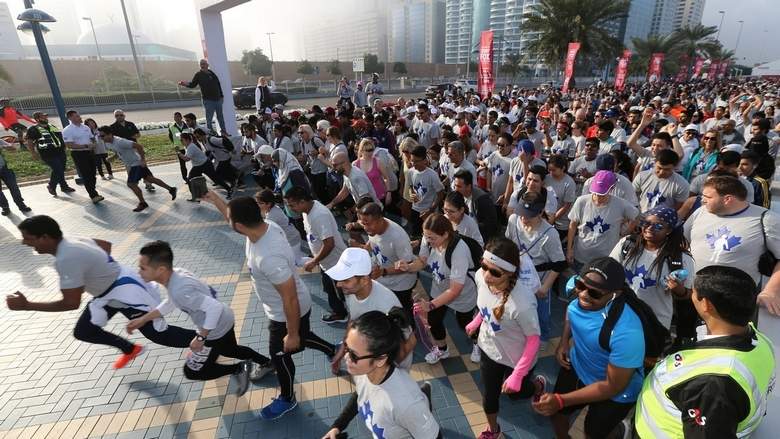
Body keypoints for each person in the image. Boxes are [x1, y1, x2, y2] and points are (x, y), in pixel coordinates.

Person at [201, 193, 336, 419]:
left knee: (280, 355)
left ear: (240, 225)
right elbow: (234, 218)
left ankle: (288, 398)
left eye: (231, 219)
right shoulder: (265, 225)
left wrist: (292, 333)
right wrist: (214, 199)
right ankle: (333, 349)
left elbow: (290, 298)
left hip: (286, 312)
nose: (229, 221)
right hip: (287, 308)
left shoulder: (268, 256)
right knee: (302, 337)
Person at [6, 216, 195, 369]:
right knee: (84, 331)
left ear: (45, 237)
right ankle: (130, 349)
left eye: (28, 238)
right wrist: (99, 273)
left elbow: (71, 303)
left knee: (160, 334)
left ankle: (207, 340)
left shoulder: (66, 258)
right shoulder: (70, 240)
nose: (24, 242)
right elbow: (105, 245)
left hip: (126, 292)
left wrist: (26, 305)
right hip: (108, 293)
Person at [634, 266, 776, 438]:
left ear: (707, 305)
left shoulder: (712, 386)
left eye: (693, 292)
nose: (691, 295)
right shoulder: (760, 339)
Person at [128, 241, 274, 396]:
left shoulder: (179, 289)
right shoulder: (176, 275)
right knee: (230, 350)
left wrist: (200, 338)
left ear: (161, 269)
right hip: (225, 318)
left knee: (192, 371)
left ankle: (239, 369)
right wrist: (143, 319)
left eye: (143, 268)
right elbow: (171, 302)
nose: (139, 272)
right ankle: (268, 363)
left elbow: (214, 308)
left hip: (214, 329)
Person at [532, 257, 645, 439]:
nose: (584, 294)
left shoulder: (627, 334)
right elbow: (572, 311)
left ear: (614, 294)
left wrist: (561, 400)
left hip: (615, 393)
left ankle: (620, 430)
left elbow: (612, 386)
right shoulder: (578, 289)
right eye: (580, 286)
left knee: (593, 433)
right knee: (557, 416)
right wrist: (563, 342)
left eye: (594, 293)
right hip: (578, 367)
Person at [464, 238, 546, 439]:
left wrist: (517, 375)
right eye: (484, 266)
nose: (487, 275)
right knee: (490, 395)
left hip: (517, 358)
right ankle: (493, 430)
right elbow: (487, 307)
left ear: (510, 273)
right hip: (489, 349)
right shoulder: (481, 277)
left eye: (495, 272)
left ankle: (537, 385)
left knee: (517, 393)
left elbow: (534, 340)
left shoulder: (523, 303)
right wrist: (476, 322)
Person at [321, 310, 440, 439]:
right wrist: (337, 426)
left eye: (353, 355)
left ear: (380, 359)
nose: (346, 357)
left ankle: (424, 398)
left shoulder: (407, 405)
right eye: (346, 348)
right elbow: (362, 393)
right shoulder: (362, 371)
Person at [684, 175, 780, 315]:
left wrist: (771, 290)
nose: (702, 200)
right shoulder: (700, 212)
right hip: (692, 292)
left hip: (733, 300)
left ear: (727, 199)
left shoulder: (767, 219)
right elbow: (682, 242)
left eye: (708, 197)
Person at [395, 214, 479, 364]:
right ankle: (442, 349)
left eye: (432, 238)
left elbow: (455, 290)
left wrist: (431, 305)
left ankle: (477, 343)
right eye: (426, 237)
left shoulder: (459, 250)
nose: (428, 241)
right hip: (440, 288)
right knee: (434, 320)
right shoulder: (428, 239)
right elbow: (422, 261)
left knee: (465, 323)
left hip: (463, 293)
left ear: (445, 234)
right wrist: (409, 267)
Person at [326, 247, 416, 372]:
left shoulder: (387, 306)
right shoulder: (352, 291)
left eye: (345, 280)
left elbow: (411, 341)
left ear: (364, 280)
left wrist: (382, 373)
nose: (338, 284)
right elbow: (353, 320)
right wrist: (341, 352)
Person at [610, 206, 695, 331]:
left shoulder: (681, 258)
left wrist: (679, 290)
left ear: (669, 230)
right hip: (621, 316)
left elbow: (689, 294)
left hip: (655, 323)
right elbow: (609, 272)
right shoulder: (627, 244)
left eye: (658, 226)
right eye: (646, 223)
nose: (649, 228)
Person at [505, 192, 567, 349]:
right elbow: (507, 245)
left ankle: (543, 337)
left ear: (540, 213)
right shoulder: (513, 220)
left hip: (539, 281)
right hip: (516, 277)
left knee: (541, 313)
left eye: (529, 216)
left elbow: (559, 264)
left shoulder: (550, 234)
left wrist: (545, 287)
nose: (524, 219)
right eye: (522, 214)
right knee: (516, 308)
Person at [283, 186, 349, 324]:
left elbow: (329, 243)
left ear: (302, 201)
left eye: (292, 205)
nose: (290, 208)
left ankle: (342, 314)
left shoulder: (319, 215)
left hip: (335, 263)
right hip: (326, 262)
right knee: (330, 289)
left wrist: (314, 261)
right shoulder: (307, 211)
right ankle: (340, 311)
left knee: (341, 291)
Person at [356, 202, 417, 321]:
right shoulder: (373, 228)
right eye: (363, 224)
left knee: (403, 314)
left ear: (380, 220)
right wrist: (364, 248)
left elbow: (408, 265)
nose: (366, 228)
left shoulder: (398, 237)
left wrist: (383, 271)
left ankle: (411, 328)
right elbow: (373, 240)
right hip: (384, 279)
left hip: (401, 284)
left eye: (368, 224)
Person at [567, 170, 639, 269]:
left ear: (612, 188)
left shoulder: (621, 204)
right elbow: (573, 224)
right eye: (595, 192)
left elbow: (636, 217)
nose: (597, 197)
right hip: (581, 256)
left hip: (605, 260)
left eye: (601, 194)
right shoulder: (581, 201)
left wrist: (624, 233)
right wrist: (569, 249)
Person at [97, 126, 177, 212]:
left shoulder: (121, 142)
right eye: (100, 136)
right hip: (132, 164)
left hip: (136, 163)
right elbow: (119, 151)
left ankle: (143, 203)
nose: (101, 138)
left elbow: (139, 146)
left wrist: (143, 160)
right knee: (150, 179)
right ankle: (171, 189)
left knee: (131, 184)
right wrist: (113, 158)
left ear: (110, 134)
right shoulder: (108, 143)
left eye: (103, 136)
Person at [25, 111, 74, 197]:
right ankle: (51, 185)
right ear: (37, 119)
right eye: (43, 116)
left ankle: (64, 186)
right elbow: (29, 142)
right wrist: (33, 153)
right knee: (57, 169)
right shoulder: (33, 129)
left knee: (61, 169)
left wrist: (64, 147)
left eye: (46, 116)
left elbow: (60, 137)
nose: (45, 118)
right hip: (47, 154)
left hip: (60, 151)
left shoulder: (52, 126)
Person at [62, 110, 104, 203]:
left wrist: (93, 143)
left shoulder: (85, 127)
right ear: (70, 118)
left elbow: (92, 138)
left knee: (93, 174)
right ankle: (93, 195)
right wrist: (85, 146)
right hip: (79, 154)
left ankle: (93, 191)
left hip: (90, 152)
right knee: (86, 174)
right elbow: (69, 145)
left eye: (79, 115)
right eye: (76, 116)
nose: (79, 117)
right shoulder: (67, 130)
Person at [254, 189, 305, 266]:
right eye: (257, 203)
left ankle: (315, 261)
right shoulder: (272, 208)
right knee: (295, 260)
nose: (258, 205)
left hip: (291, 239)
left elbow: (264, 231)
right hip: (290, 237)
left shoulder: (272, 215)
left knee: (297, 262)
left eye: (261, 203)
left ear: (269, 204)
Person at [177, 132, 232, 200]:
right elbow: (186, 157)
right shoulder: (188, 146)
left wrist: (179, 153)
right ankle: (196, 197)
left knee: (216, 179)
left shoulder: (191, 147)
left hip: (205, 165)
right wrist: (180, 154)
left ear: (187, 140)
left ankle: (229, 189)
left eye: (182, 140)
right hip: (198, 166)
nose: (181, 142)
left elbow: (186, 159)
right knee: (190, 180)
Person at [179, 59, 225, 134]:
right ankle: (210, 133)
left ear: (207, 65)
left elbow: (218, 84)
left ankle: (224, 132)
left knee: (220, 117)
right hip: (208, 100)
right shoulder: (198, 74)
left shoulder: (211, 73)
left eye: (204, 63)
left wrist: (221, 96)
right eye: (201, 64)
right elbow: (193, 84)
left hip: (218, 99)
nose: (202, 65)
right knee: (209, 119)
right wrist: (185, 84)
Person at [408, 145, 445, 237]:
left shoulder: (432, 175)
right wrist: (411, 194)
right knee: (415, 236)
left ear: (424, 160)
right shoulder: (410, 172)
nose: (413, 164)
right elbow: (411, 186)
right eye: (412, 161)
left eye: (416, 161)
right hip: (415, 210)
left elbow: (440, 194)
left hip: (429, 212)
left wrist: (430, 210)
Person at [453, 169, 497, 242]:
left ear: (468, 186)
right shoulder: (459, 196)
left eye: (459, 186)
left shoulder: (482, 200)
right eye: (455, 186)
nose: (455, 189)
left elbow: (490, 225)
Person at [353, 138, 391, 206]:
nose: (370, 152)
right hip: (364, 199)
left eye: (372, 150)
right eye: (367, 150)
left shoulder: (378, 161)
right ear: (361, 150)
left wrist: (389, 193)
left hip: (379, 196)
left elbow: (386, 178)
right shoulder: (355, 164)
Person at [0, 138, 31, 215]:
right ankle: (5, 207)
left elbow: (13, 149)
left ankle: (21, 204)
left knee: (14, 187)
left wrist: (6, 146)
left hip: (5, 168)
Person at [168, 111, 189, 183]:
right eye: (175, 117)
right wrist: (175, 145)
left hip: (188, 146)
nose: (176, 119)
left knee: (194, 160)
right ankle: (185, 178)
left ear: (181, 117)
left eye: (177, 117)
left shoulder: (187, 125)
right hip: (179, 148)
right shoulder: (171, 127)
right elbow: (171, 137)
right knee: (182, 164)